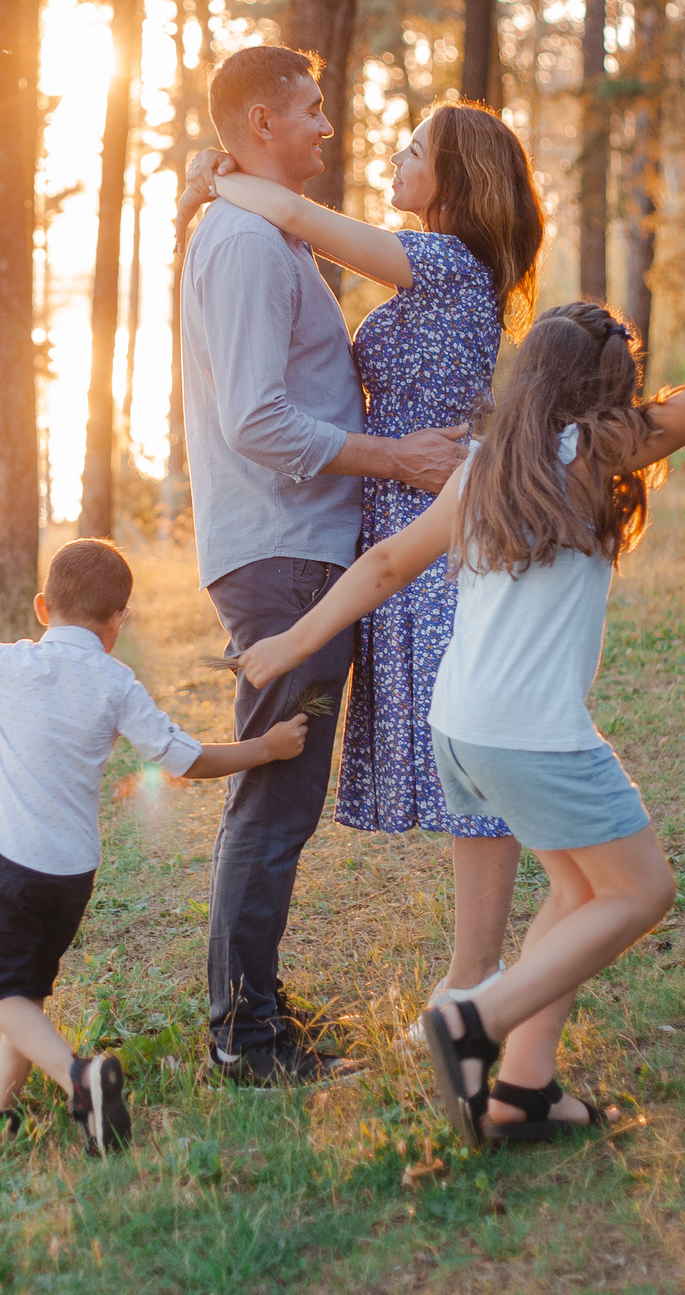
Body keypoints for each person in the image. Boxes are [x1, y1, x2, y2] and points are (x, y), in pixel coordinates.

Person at [233, 201, 685, 1146]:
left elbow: (380, 568)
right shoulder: (596, 452)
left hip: (460, 726)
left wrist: (288, 643)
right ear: (603, 392)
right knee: (641, 890)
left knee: (582, 891)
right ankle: (476, 1022)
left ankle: (524, 1090)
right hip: (529, 733)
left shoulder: (485, 464)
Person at [184, 104, 545, 1036]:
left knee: (475, 757)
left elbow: (304, 221)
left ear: (453, 180)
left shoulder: (445, 263)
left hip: (424, 535)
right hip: (388, 529)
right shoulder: (436, 274)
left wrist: (215, 179)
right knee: (458, 760)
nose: (388, 153)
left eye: (414, 151)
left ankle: (479, 980)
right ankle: (271, 1017)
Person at [0, 537, 311, 1153]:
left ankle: (80, 1078)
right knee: (27, 994)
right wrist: (265, 748)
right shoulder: (117, 683)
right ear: (118, 620)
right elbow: (184, 758)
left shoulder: (5, 663)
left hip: (13, 866)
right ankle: (0, 1114)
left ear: (43, 607)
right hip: (73, 876)